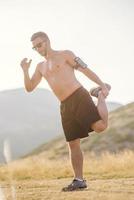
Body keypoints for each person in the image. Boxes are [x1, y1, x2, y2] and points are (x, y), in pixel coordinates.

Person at [20, 31, 111, 192]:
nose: (38, 49)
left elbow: (85, 70)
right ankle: (79, 180)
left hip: (79, 96)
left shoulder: (65, 54)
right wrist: (25, 70)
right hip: (64, 105)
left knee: (100, 127)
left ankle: (99, 95)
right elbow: (29, 88)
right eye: (35, 48)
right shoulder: (40, 67)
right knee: (73, 143)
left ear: (47, 41)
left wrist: (102, 85)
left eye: (39, 45)